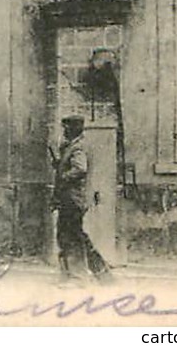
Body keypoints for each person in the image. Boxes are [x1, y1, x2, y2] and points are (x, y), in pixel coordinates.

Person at [52, 115, 112, 282]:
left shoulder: (78, 147)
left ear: (74, 129)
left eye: (66, 128)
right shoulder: (72, 146)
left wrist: (63, 175)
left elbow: (80, 168)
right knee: (75, 236)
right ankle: (102, 274)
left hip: (73, 199)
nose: (64, 131)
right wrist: (60, 164)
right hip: (71, 199)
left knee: (70, 237)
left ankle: (76, 276)